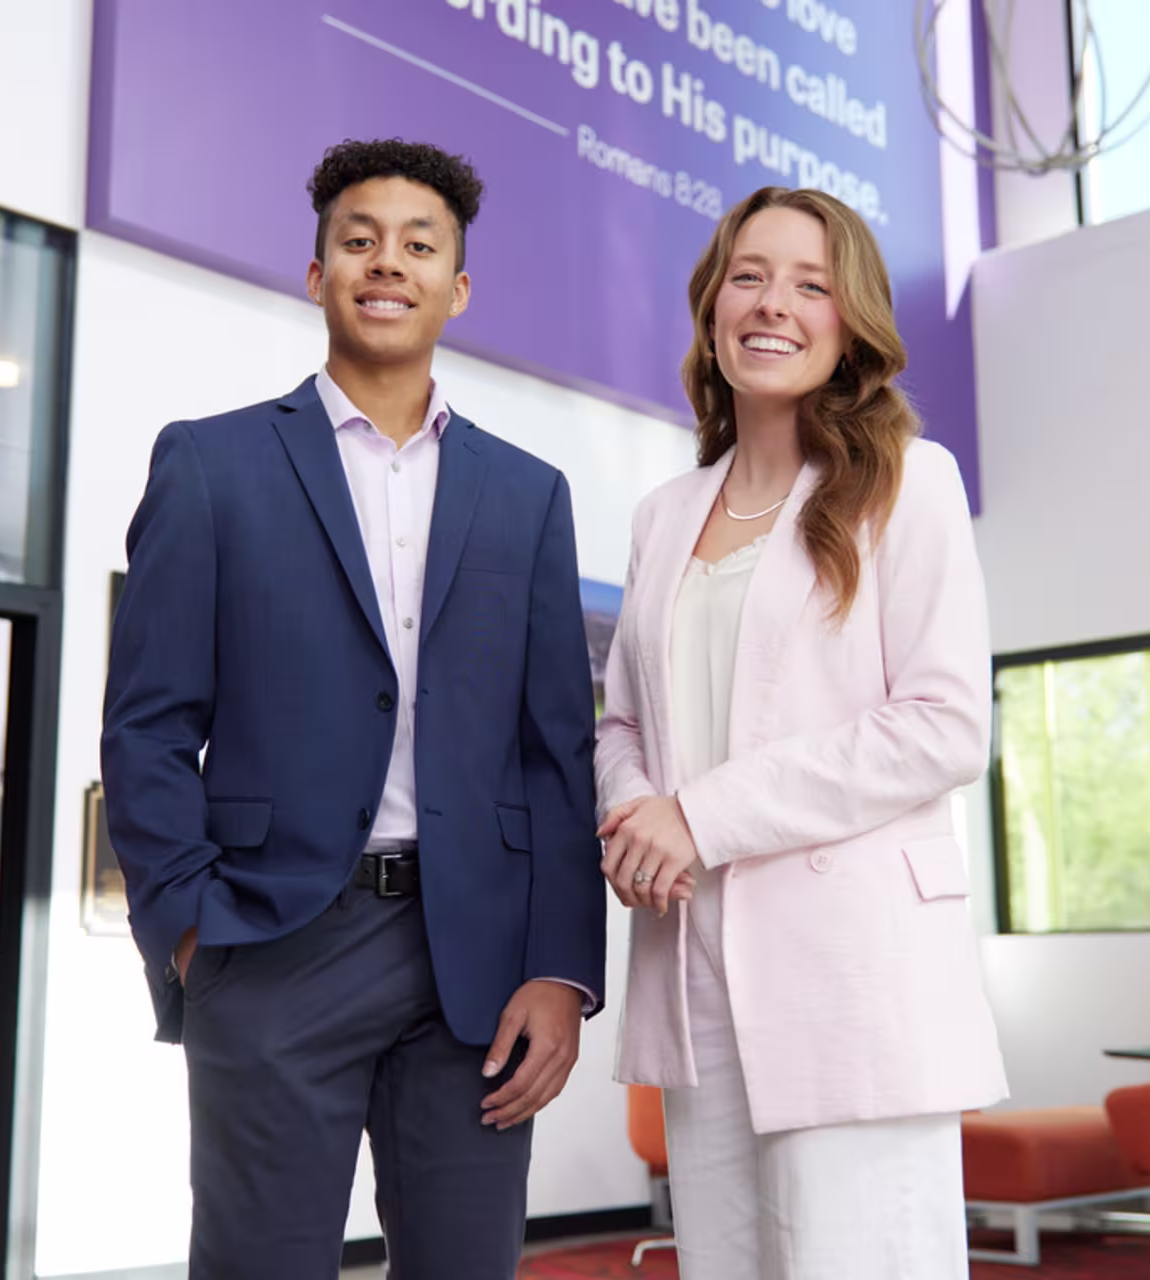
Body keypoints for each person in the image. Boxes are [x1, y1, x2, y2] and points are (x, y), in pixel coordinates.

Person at [102, 138, 604, 1280]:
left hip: (475, 966)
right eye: (360, 239)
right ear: (317, 269)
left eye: (420, 245)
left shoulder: (528, 496)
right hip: (274, 944)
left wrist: (563, 969)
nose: (389, 262)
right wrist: (189, 922)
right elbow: (147, 722)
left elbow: (556, 754)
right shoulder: (211, 465)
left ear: (457, 287)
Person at [595, 186, 1007, 1279]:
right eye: (749, 275)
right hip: (697, 962)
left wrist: (702, 814)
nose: (773, 303)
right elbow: (624, 714)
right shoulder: (665, 514)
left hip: (851, 965)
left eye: (810, 284)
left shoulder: (909, 482)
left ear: (849, 319)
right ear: (712, 306)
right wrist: (636, 815)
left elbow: (946, 725)